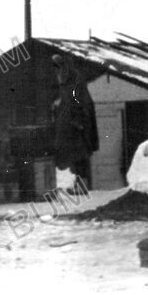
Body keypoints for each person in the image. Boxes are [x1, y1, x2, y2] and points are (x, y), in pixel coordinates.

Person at [51, 54, 99, 193]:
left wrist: (77, 120)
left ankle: (82, 186)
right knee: (73, 154)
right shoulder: (66, 82)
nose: (57, 70)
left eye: (58, 66)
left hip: (77, 124)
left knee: (80, 154)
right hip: (70, 124)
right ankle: (79, 184)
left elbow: (79, 101)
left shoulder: (74, 80)